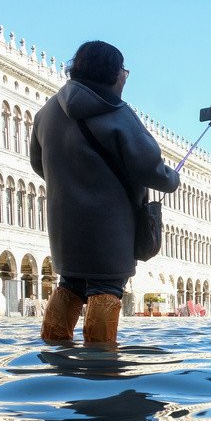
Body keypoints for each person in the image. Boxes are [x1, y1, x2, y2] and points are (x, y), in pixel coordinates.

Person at [30, 40, 180, 344]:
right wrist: (172, 179)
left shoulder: (46, 112)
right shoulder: (117, 112)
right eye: (124, 71)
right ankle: (99, 368)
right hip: (110, 226)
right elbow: (150, 168)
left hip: (65, 224)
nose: (125, 77)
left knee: (70, 286)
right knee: (106, 289)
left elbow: (38, 163)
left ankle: (55, 361)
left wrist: (71, 183)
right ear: (112, 73)